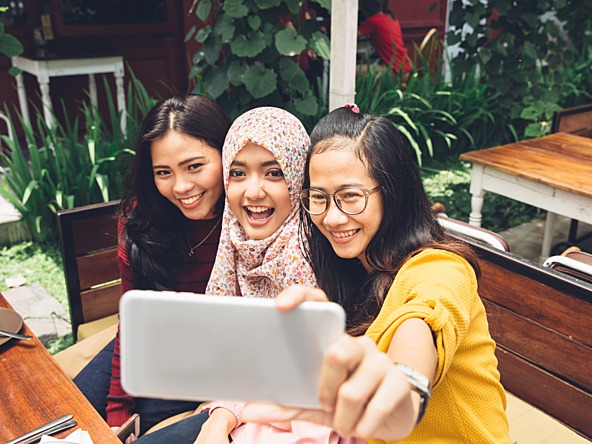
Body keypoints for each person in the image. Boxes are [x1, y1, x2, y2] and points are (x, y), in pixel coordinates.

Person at [238, 104, 512, 443]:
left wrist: (405, 388)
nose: (332, 217)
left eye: (350, 196)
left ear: (393, 193)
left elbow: (423, 321)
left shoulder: (439, 268)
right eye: (319, 198)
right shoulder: (348, 271)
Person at [135, 107, 361, 443]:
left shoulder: (305, 251)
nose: (253, 191)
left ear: (299, 177)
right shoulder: (236, 235)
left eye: (274, 173)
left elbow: (286, 366)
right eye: (238, 174)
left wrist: (223, 414)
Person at [72, 93, 231, 437]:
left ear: (226, 153)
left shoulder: (250, 217)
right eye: (164, 172)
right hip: (156, 343)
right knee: (65, 408)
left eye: (194, 166)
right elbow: (134, 321)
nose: (181, 187)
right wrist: (118, 409)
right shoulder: (141, 220)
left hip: (213, 363)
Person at [358, 0, 412, 74]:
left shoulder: (373, 21)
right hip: (404, 66)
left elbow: (353, 35)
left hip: (394, 70)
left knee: (352, 70)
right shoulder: (392, 18)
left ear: (365, 9)